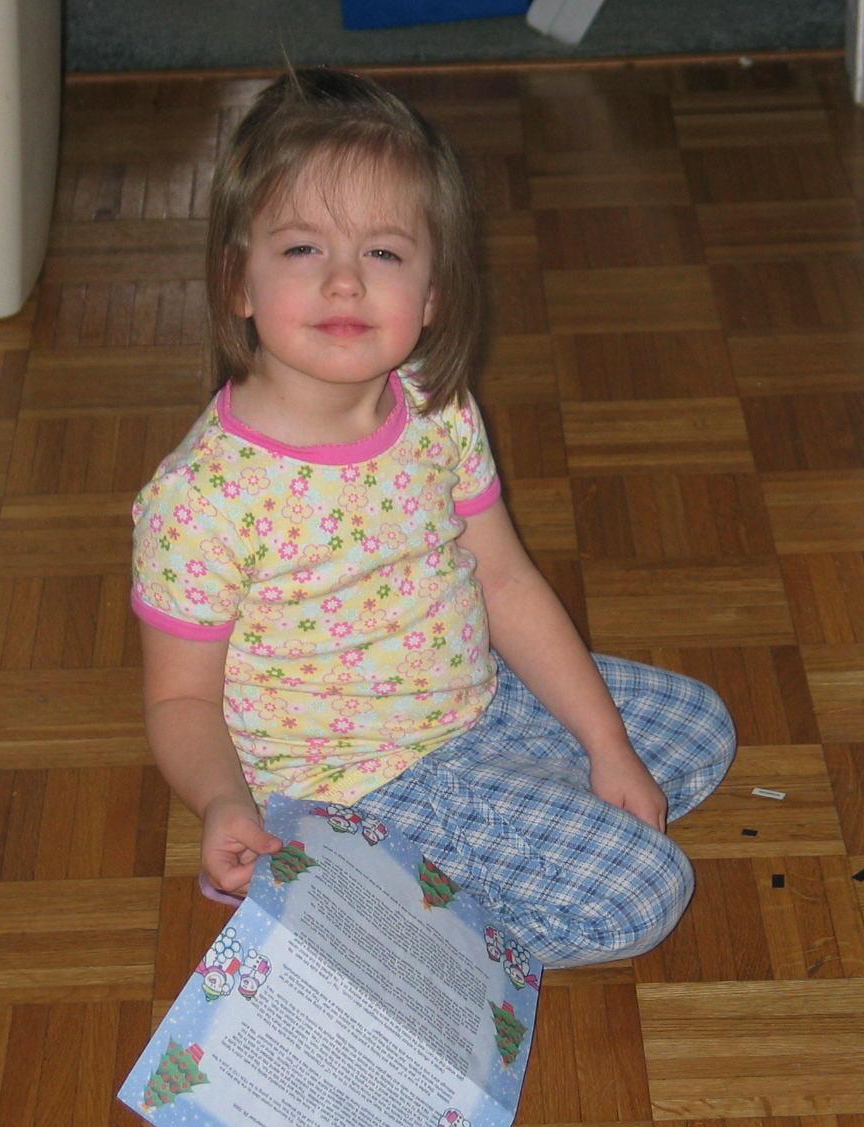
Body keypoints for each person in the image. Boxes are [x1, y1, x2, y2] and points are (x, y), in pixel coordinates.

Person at [131, 67, 735, 967]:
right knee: (647, 889)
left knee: (701, 726)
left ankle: (518, 817)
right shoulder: (201, 499)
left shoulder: (434, 405)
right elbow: (179, 698)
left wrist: (604, 744)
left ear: (432, 295)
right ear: (237, 283)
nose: (344, 282)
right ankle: (356, 905)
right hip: (354, 790)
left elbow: (504, 580)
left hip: (477, 699)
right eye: (303, 249)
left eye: (382, 253)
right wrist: (224, 803)